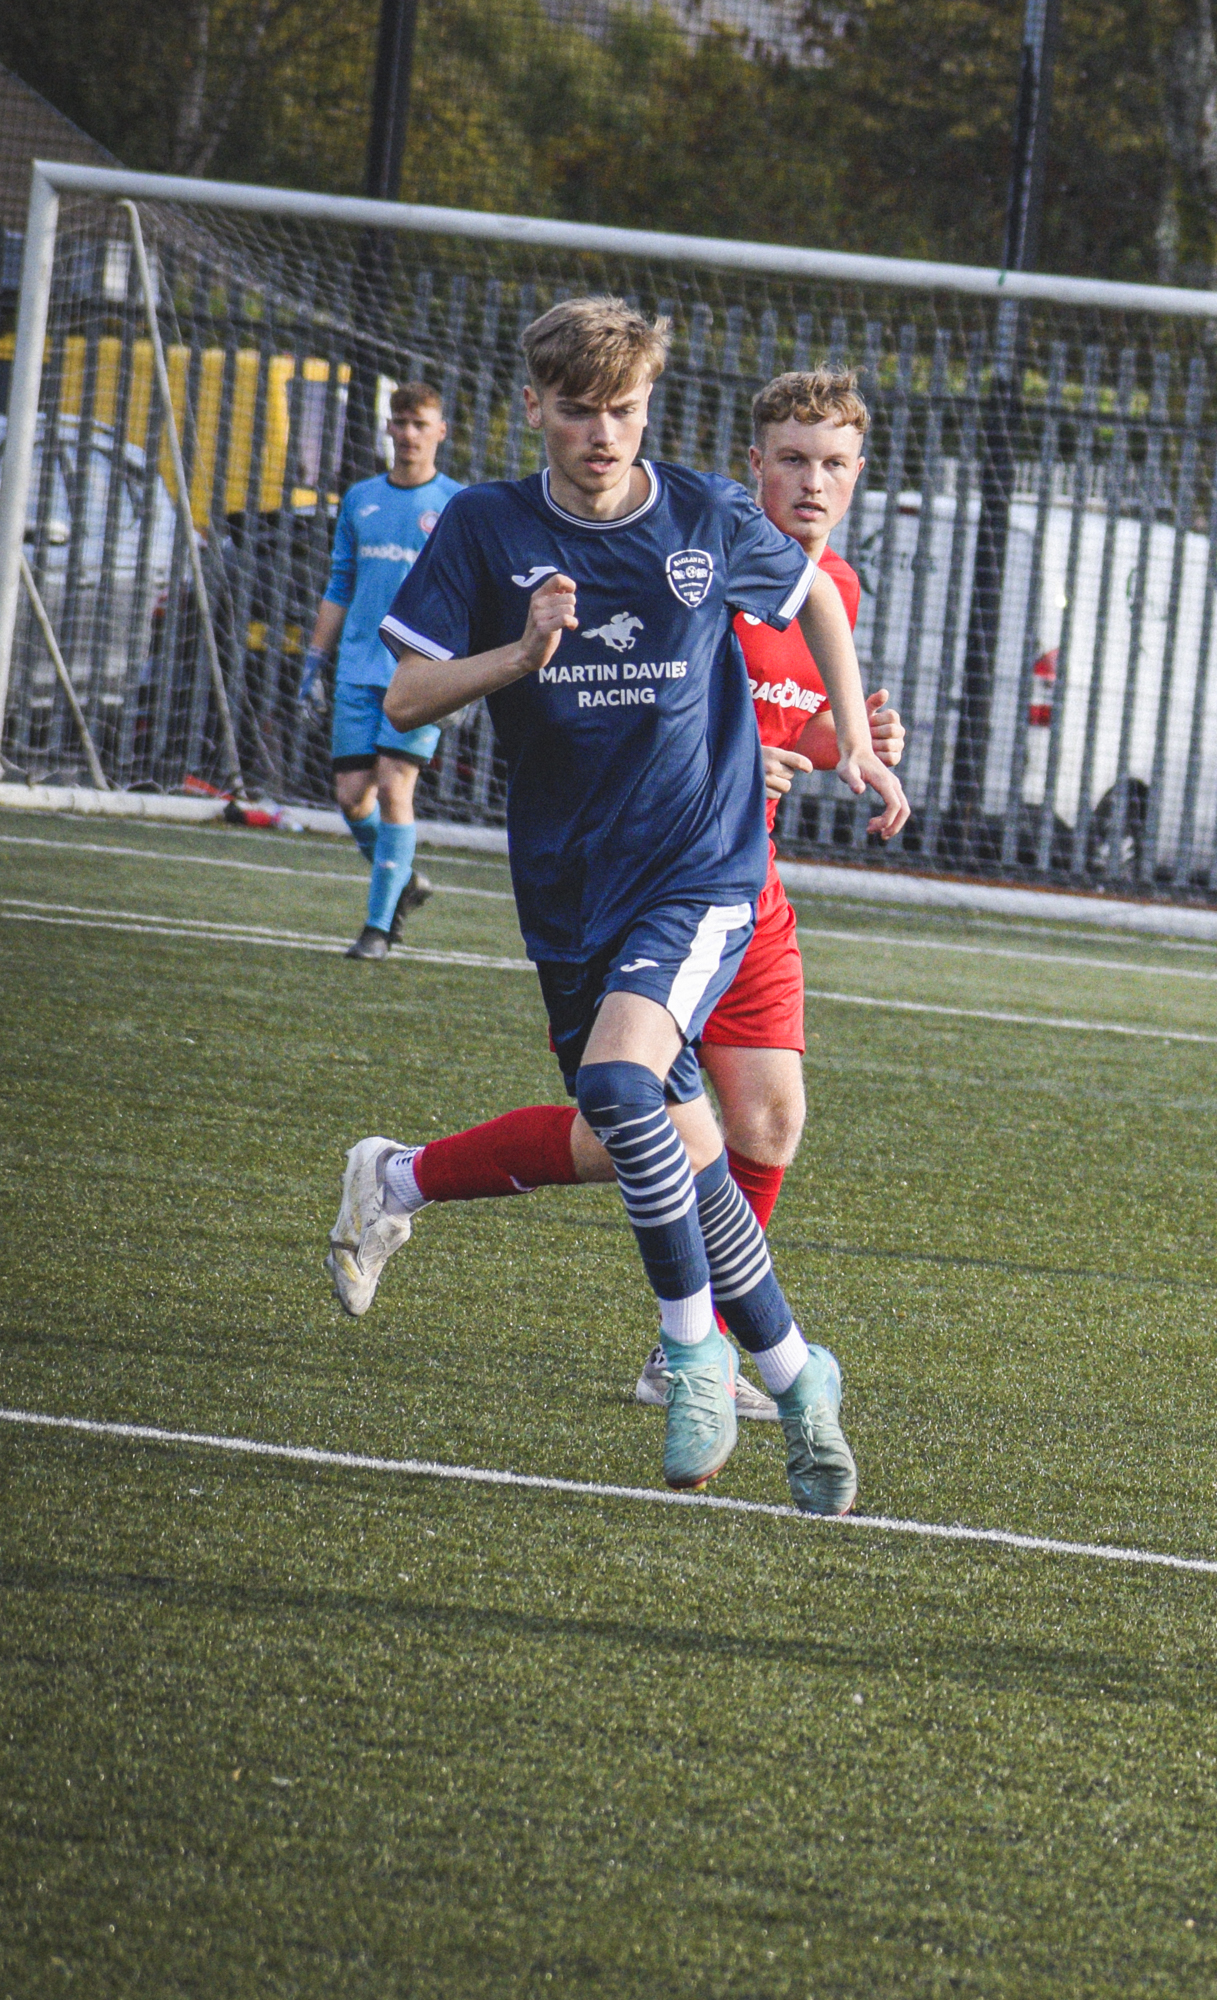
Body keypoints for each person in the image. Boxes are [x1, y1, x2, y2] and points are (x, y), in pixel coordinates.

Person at [322, 298, 912, 1514]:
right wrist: (522, 659)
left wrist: (853, 740)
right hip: (569, 890)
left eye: (626, 410)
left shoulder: (700, 512)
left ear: (654, 410)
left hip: (703, 876)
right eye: (580, 409)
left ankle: (691, 1354)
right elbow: (414, 690)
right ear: (534, 405)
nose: (604, 433)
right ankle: (801, 1378)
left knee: (672, 1100)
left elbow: (817, 605)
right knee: (678, 1153)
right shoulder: (485, 526)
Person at [297, 382, 465, 960]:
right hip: (356, 668)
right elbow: (340, 584)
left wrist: (461, 675)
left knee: (395, 787)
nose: (409, 434)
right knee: (351, 797)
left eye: (421, 424)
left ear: (441, 432)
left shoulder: (456, 506)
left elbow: (470, 596)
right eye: (401, 422)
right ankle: (405, 880)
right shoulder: (361, 499)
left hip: (419, 673)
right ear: (388, 429)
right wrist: (314, 661)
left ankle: (376, 928)